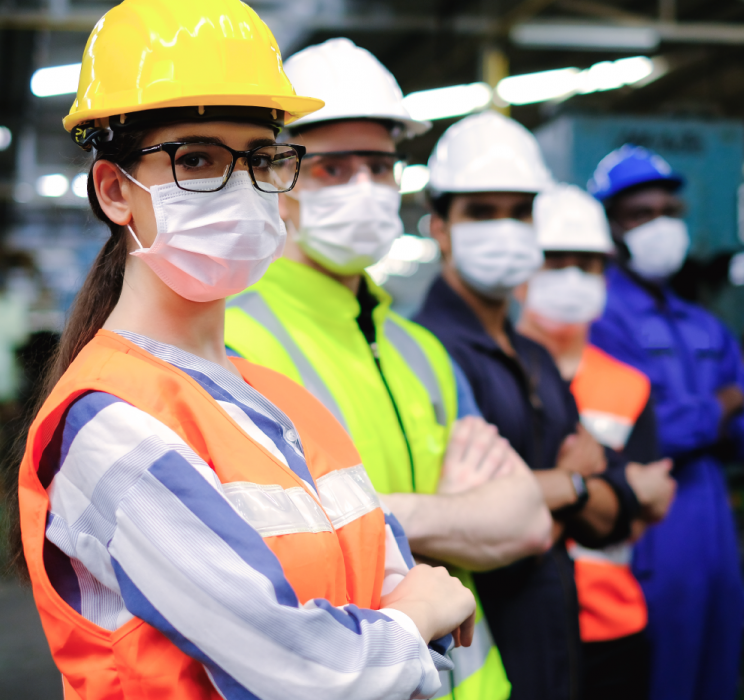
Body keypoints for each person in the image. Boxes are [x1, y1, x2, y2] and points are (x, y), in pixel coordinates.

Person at [6, 0, 477, 698]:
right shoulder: (108, 426)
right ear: (114, 190)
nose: (240, 188)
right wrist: (413, 624)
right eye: (196, 159)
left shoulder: (286, 401)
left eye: (259, 158)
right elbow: (316, 677)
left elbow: (401, 639)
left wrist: (399, 638)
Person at [224, 37, 549, 700]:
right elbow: (274, 556)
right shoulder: (234, 345)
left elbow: (525, 520)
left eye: (379, 165)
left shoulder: (421, 350)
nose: (365, 188)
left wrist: (371, 519)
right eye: (333, 170)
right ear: (277, 178)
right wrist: (455, 513)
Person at [415, 112, 641, 700]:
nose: (505, 229)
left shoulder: (535, 358)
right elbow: (461, 515)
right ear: (440, 226)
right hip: (480, 640)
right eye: (482, 212)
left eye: (518, 212)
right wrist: (575, 482)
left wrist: (564, 490)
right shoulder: (423, 354)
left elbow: (618, 511)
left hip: (558, 638)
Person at [587, 145, 744, 700]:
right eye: (641, 215)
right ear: (612, 227)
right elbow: (642, 430)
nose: (659, 226)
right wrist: (719, 408)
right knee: (663, 677)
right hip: (655, 533)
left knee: (718, 671)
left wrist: (717, 419)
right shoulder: (601, 319)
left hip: (716, 532)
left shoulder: (702, 323)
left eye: (668, 211)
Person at [516, 183, 678, 700]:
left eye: (586, 264)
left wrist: (567, 485)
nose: (571, 278)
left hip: (614, 626)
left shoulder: (630, 385)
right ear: (521, 271)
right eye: (554, 262)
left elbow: (646, 508)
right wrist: (613, 481)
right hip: (522, 618)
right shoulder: (489, 376)